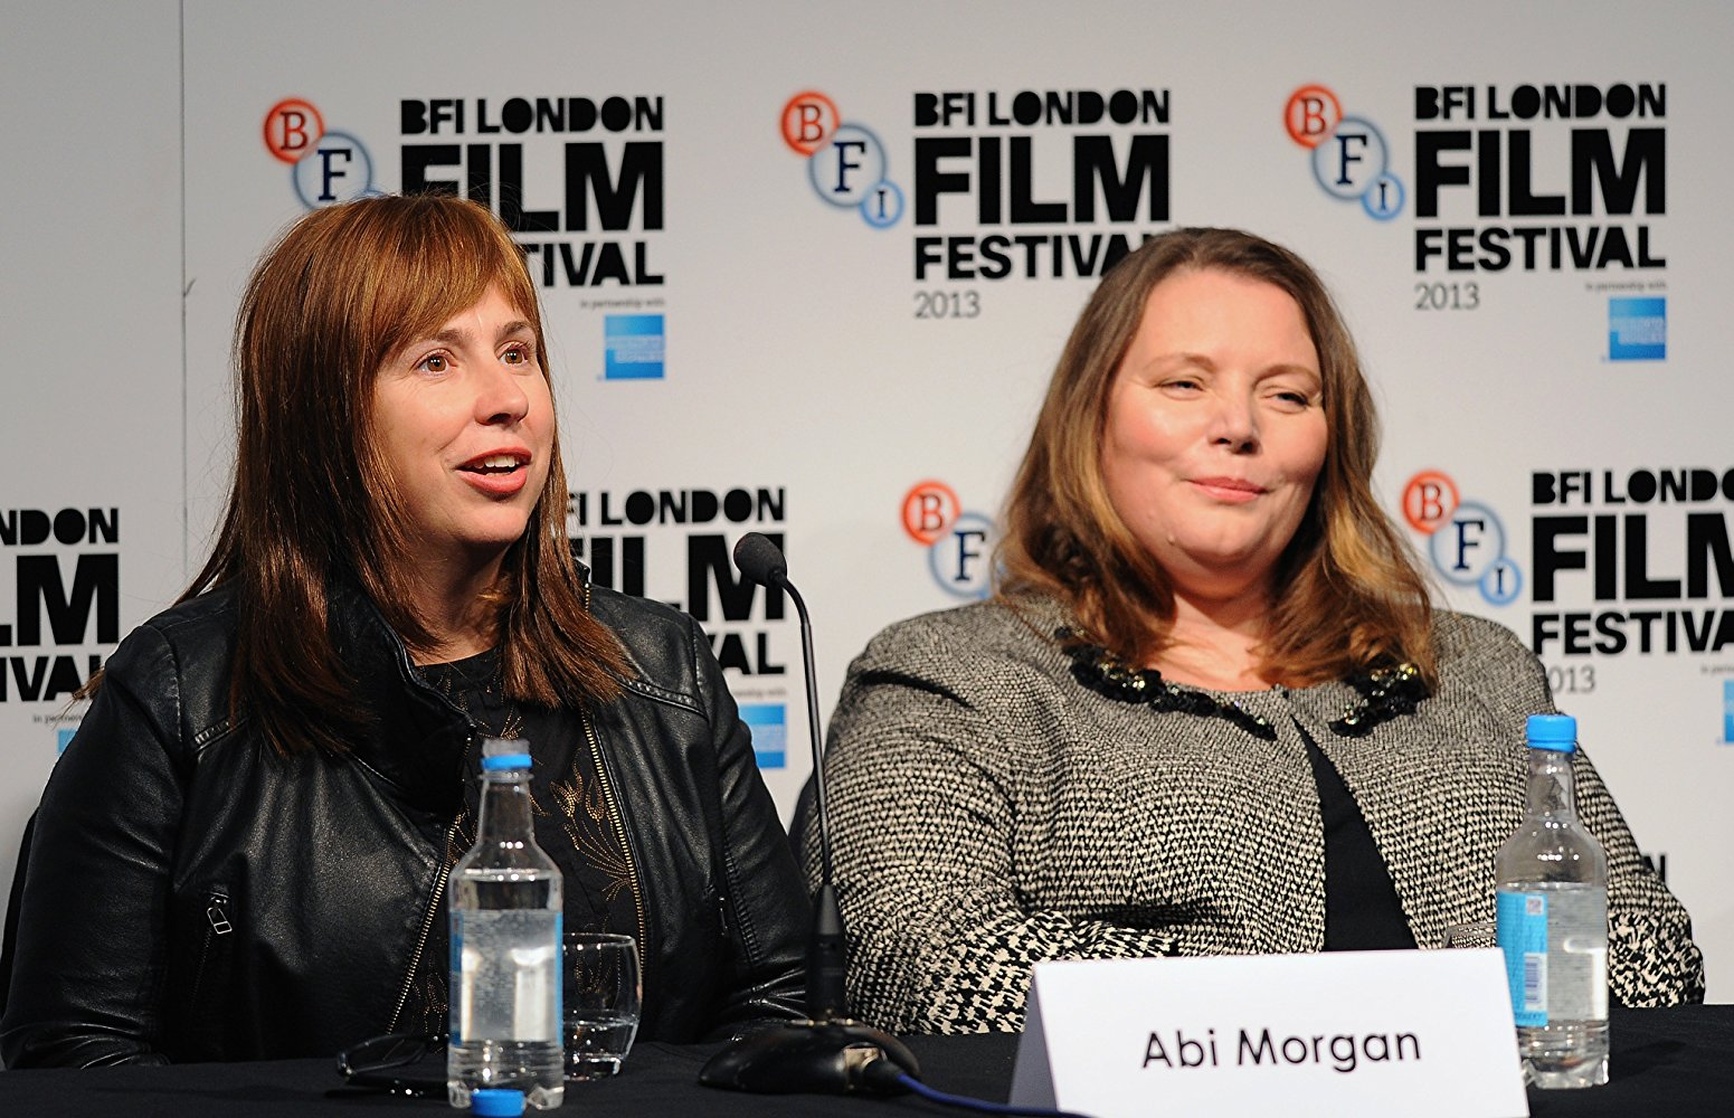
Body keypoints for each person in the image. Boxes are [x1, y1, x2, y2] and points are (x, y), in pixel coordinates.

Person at [818, 227, 1704, 1034]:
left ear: (1329, 441)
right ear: (1092, 419)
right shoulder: (950, 675)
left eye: (1286, 395)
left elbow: (1654, 957)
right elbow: (923, 963)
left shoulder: (1476, 667)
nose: (1237, 427)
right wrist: (1354, 1011)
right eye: (1184, 384)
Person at [0, 194, 808, 1067]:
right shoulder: (177, 695)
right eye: (435, 361)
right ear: (327, 416)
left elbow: (778, 1014)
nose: (506, 399)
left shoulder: (663, 670)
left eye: (517, 352)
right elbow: (74, 1060)